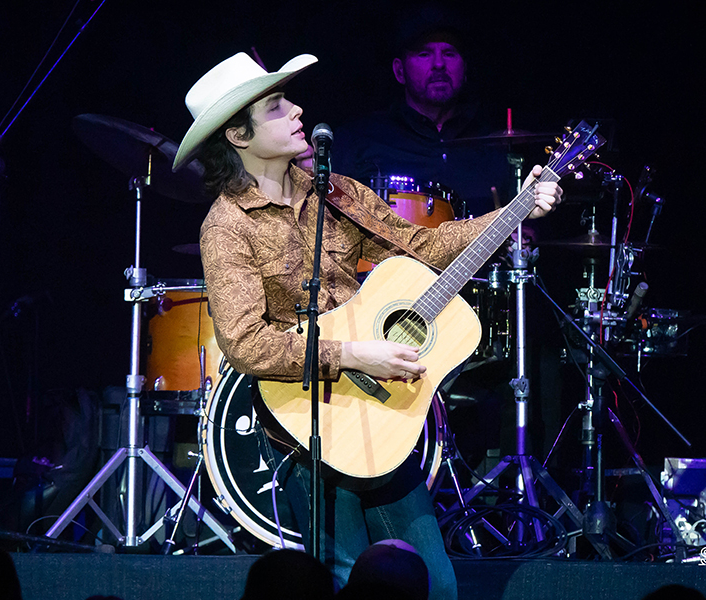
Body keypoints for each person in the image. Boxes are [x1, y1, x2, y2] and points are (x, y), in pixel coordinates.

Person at [172, 52, 562, 600]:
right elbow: (244, 344)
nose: (298, 110)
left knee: (436, 585)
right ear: (238, 134)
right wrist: (353, 354)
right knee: (341, 581)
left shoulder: (336, 193)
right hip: (301, 426)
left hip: (380, 418)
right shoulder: (227, 226)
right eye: (278, 106)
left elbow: (422, 246)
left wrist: (517, 211)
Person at [332, 11, 513, 218]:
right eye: (424, 54)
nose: (439, 64)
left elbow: (524, 230)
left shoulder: (493, 146)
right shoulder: (359, 139)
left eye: (449, 53)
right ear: (399, 71)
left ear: (465, 70)